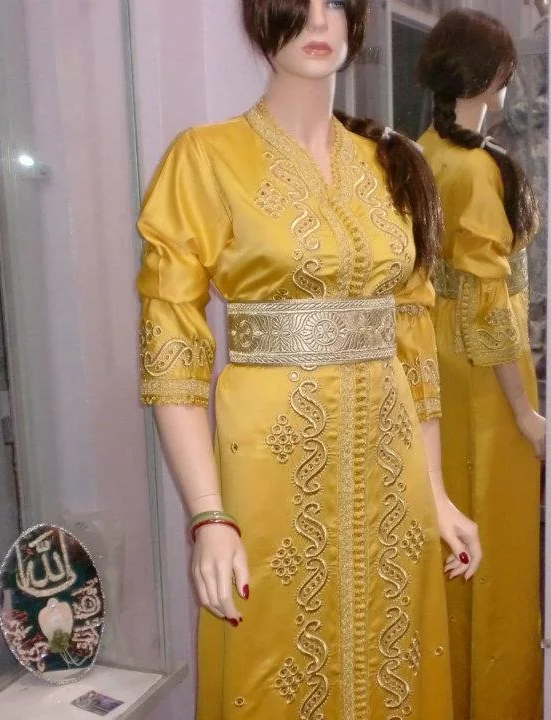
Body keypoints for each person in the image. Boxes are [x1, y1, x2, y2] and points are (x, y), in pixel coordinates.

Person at [135, 1, 481, 718]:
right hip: (271, 455)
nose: (321, 23)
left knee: (393, 651)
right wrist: (209, 516)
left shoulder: (393, 165)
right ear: (264, 20)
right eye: (301, 6)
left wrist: (437, 490)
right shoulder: (206, 158)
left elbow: (413, 337)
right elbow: (173, 350)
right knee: (275, 659)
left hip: (391, 460)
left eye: (336, 7)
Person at [417, 9, 545, 720]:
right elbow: (491, 307)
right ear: (494, 76)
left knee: (447, 539)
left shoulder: (421, 151)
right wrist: (525, 412)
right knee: (493, 543)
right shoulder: (473, 167)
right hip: (484, 372)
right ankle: (496, 701)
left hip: (436, 360)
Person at [488, 0, 551, 413]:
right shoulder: (539, 37)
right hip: (525, 159)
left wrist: (512, 117)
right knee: (528, 251)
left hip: (543, 159)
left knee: (539, 254)